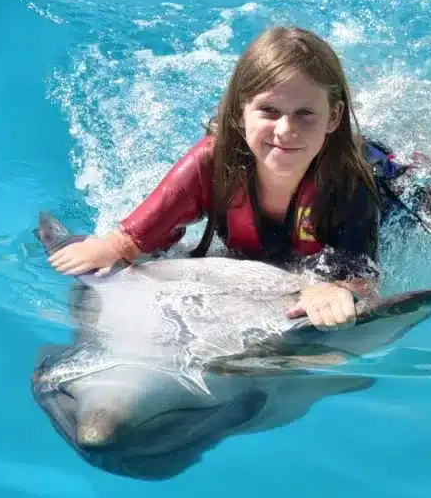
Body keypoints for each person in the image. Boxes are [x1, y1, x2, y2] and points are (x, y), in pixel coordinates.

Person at [50, 26, 402, 331]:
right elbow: (131, 240)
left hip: (389, 185)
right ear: (238, 114)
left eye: (305, 114)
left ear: (334, 117)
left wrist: (336, 289)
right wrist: (111, 247)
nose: (286, 129)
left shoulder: (350, 182)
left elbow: (361, 281)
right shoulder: (210, 164)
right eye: (269, 111)